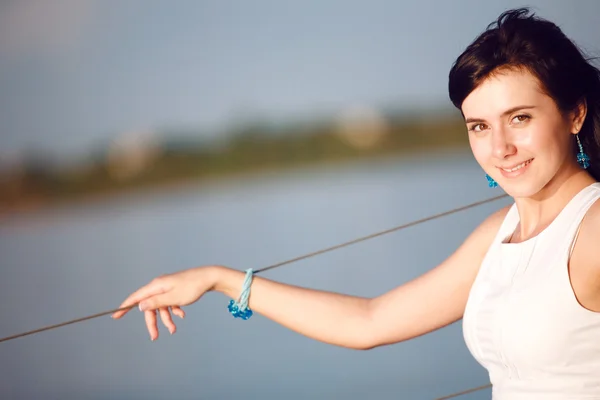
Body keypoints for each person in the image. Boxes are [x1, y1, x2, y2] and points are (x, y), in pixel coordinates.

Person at [112, 8, 600, 399]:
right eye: (479, 126)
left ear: (574, 113)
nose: (499, 148)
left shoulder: (592, 228)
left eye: (519, 118)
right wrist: (218, 279)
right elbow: (371, 320)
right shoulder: (497, 233)